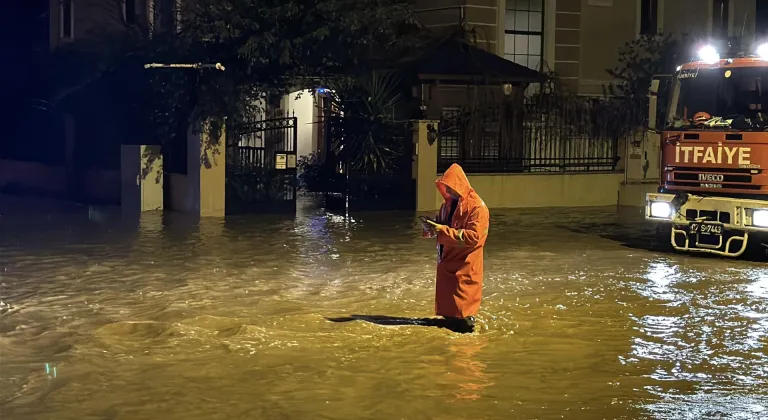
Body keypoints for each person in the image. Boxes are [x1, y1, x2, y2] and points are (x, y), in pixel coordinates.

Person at [422, 163, 490, 333]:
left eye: (450, 187)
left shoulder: (477, 208)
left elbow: (474, 238)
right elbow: (444, 226)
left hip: (465, 265)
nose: (448, 191)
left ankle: (467, 337)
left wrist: (442, 230)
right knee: (448, 307)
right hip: (447, 261)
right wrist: (432, 227)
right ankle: (452, 329)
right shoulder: (447, 205)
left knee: (465, 306)